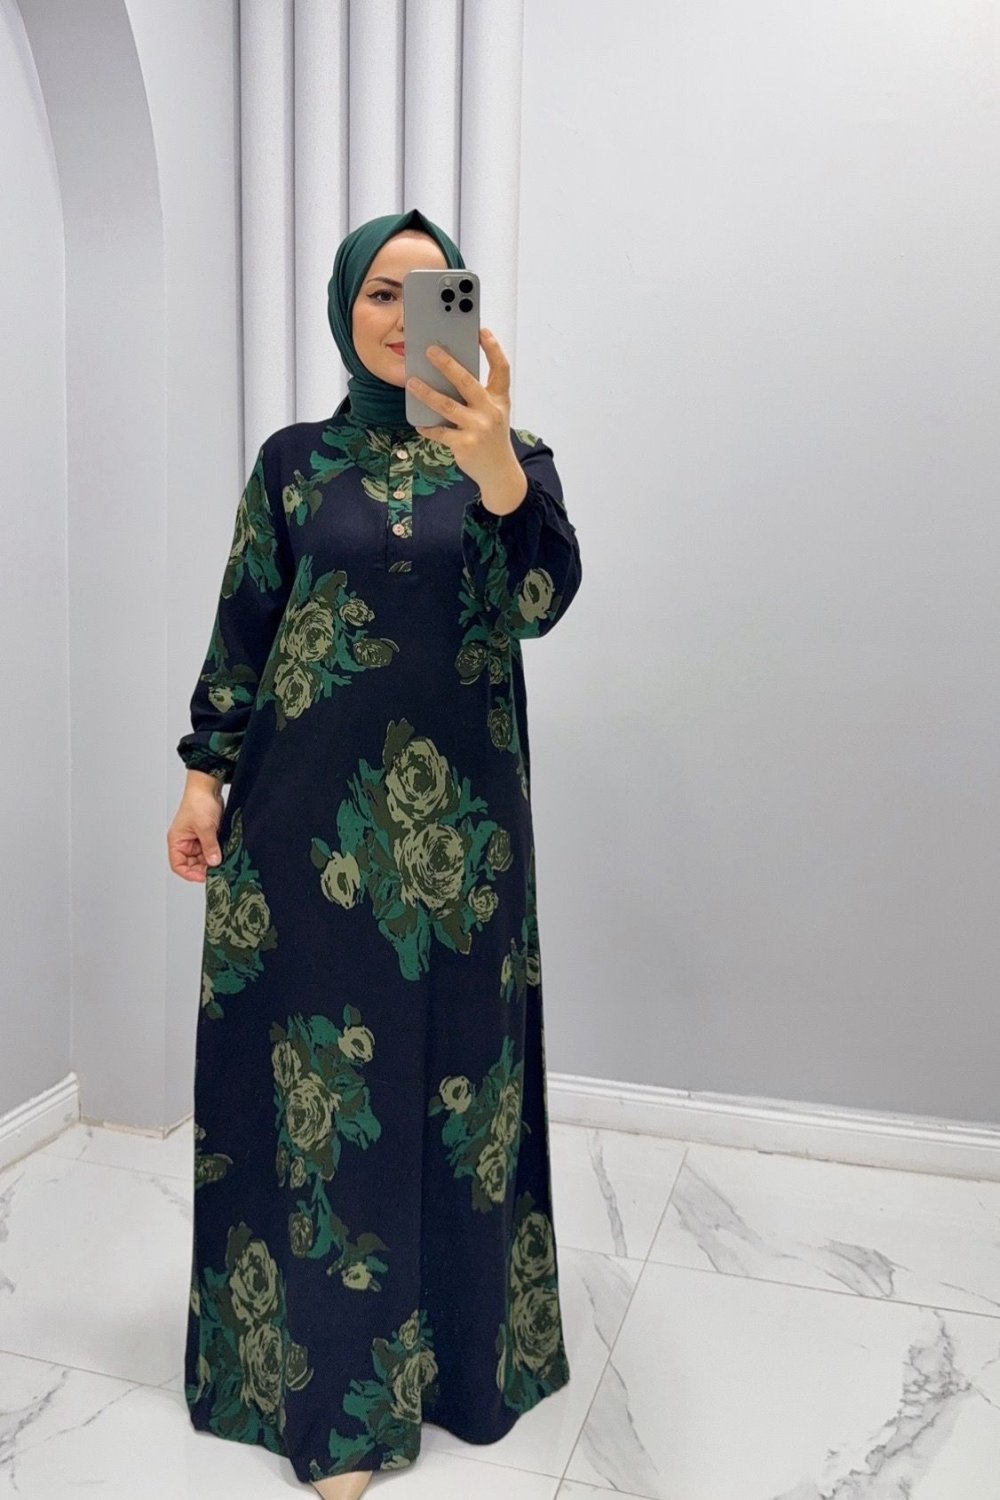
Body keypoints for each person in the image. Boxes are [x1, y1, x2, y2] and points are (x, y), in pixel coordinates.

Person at [166, 208, 583, 1498]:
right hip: (301, 836)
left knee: (462, 1094)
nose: (404, 318)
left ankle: (459, 1371)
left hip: (463, 850)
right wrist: (202, 777)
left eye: (430, 291)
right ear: (346, 313)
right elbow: (247, 622)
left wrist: (499, 471)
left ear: (468, 309)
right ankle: (332, 1405)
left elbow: (538, 603)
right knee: (317, 1100)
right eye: (379, 295)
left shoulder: (514, 457)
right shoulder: (293, 463)